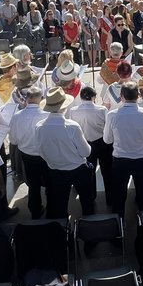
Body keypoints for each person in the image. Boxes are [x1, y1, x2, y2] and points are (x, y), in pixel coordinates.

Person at [103, 82, 143, 217]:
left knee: (119, 197)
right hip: (141, 161)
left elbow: (107, 140)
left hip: (120, 161)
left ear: (121, 96)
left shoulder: (112, 115)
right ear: (138, 96)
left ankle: (119, 225)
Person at [36, 87, 95, 218]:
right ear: (64, 106)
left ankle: (63, 227)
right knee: (87, 201)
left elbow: (40, 151)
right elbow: (86, 152)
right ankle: (89, 224)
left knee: (60, 203)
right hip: (78, 169)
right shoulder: (72, 126)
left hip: (56, 170)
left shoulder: (39, 127)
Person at [66, 86, 114, 208]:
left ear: (81, 97)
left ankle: (91, 198)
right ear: (94, 97)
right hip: (102, 143)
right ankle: (110, 198)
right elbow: (108, 127)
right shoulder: (102, 110)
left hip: (84, 143)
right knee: (107, 172)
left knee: (89, 173)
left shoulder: (73, 111)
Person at [8, 86, 49, 219]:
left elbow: (13, 140)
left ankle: (35, 210)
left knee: (33, 183)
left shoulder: (16, 117)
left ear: (27, 99)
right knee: (50, 181)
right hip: (45, 154)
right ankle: (52, 208)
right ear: (40, 98)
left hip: (27, 155)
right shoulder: (46, 115)